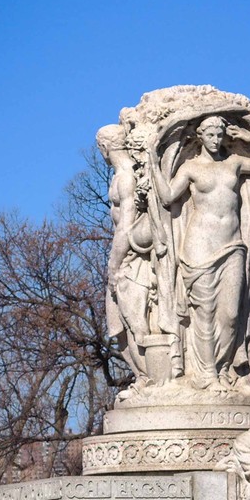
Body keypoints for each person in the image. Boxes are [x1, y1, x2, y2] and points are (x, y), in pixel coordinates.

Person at [150, 116, 250, 390]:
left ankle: (223, 369)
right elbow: (167, 197)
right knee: (205, 315)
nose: (215, 140)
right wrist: (152, 163)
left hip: (232, 245)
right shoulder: (190, 169)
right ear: (200, 136)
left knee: (232, 315)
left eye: (219, 134)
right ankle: (209, 375)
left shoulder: (234, 163)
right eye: (210, 134)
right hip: (200, 247)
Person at [97, 124, 152, 386]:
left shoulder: (126, 177)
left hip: (131, 259)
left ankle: (149, 379)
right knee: (120, 331)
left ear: (105, 147)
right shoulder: (122, 175)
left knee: (134, 323)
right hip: (126, 257)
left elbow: (126, 225)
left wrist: (113, 264)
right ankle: (144, 377)